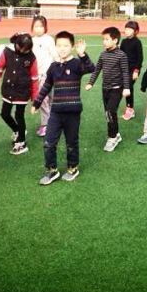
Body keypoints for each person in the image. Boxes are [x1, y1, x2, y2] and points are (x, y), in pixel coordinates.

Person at [30, 32, 95, 185]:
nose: (62, 48)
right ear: (55, 47)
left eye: (66, 45)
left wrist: (82, 54)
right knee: (49, 142)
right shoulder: (53, 67)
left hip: (73, 112)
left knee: (71, 143)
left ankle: (73, 168)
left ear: (72, 47)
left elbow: (91, 68)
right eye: (59, 45)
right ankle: (52, 170)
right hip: (56, 112)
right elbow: (46, 86)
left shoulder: (76, 64)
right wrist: (36, 103)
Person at [0, 33, 39, 155]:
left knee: (19, 116)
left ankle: (22, 142)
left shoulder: (31, 57)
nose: (22, 52)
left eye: (26, 50)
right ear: (16, 44)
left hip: (23, 91)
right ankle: (18, 130)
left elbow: (34, 78)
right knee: (4, 114)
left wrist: (35, 98)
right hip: (8, 89)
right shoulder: (7, 52)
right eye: (20, 49)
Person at [85, 27, 130, 152]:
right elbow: (97, 70)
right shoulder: (103, 54)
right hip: (105, 89)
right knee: (108, 114)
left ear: (115, 40)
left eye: (107, 39)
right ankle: (116, 134)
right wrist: (91, 83)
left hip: (117, 89)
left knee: (110, 111)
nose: (104, 42)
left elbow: (125, 72)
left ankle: (112, 137)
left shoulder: (121, 55)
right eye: (103, 39)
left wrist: (126, 88)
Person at [31, 15, 58, 137]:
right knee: (44, 99)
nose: (38, 29)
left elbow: (55, 55)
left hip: (48, 74)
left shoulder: (48, 40)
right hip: (38, 75)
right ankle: (48, 123)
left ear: (45, 27)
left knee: (48, 99)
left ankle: (48, 124)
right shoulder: (31, 40)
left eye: (41, 26)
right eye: (36, 26)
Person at [120, 20, 143, 120]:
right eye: (126, 29)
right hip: (124, 69)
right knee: (125, 87)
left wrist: (136, 71)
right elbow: (120, 55)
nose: (127, 31)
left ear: (135, 31)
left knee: (128, 86)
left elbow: (140, 58)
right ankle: (128, 107)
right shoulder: (124, 42)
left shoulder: (137, 42)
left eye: (130, 29)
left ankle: (130, 109)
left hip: (133, 70)